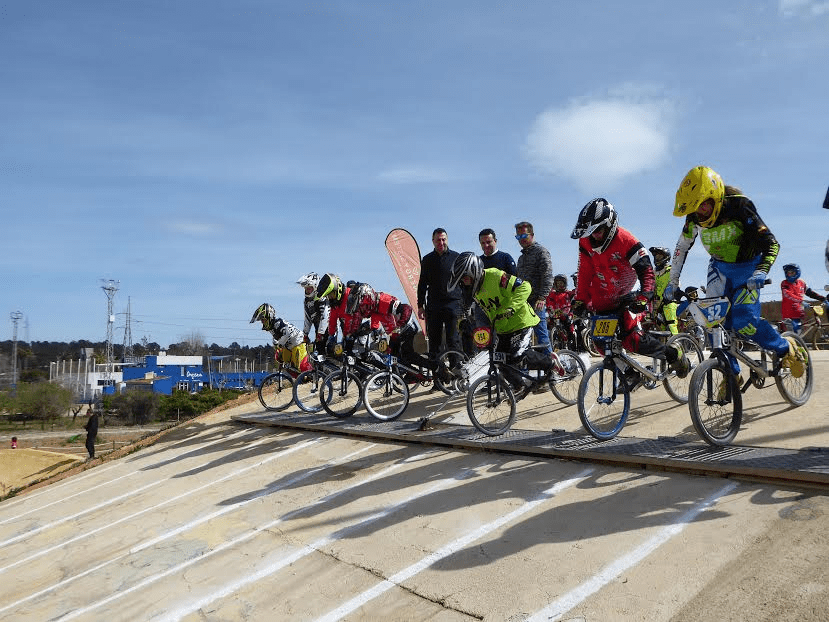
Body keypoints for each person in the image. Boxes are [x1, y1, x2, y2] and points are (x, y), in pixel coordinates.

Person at [665, 165, 805, 377]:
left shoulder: (739, 205)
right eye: (694, 209)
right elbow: (681, 248)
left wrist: (761, 271)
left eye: (702, 206)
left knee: (744, 323)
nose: (699, 213)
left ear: (715, 196)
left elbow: (771, 243)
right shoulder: (693, 217)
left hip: (749, 267)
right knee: (713, 323)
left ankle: (786, 348)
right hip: (719, 268)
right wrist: (672, 282)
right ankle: (731, 374)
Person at [570, 198, 689, 385]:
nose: (594, 237)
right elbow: (585, 272)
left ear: (610, 225)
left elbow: (647, 273)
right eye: (591, 233)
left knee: (632, 339)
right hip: (604, 298)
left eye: (598, 231)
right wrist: (580, 300)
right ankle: (629, 373)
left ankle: (673, 354)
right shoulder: (585, 242)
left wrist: (644, 296)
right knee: (600, 341)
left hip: (628, 295)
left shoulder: (628, 241)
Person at [448, 252, 556, 396]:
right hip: (503, 328)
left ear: (474, 271)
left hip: (520, 321)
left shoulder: (495, 275)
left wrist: (510, 307)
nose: (464, 281)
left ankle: (550, 364)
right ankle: (519, 386)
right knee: (499, 360)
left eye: (465, 277)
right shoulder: (474, 289)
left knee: (518, 355)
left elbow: (525, 287)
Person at [417, 228, 462, 356]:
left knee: (453, 340)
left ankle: (456, 369)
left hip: (453, 304)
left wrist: (464, 304)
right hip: (434, 305)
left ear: (447, 240)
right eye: (438, 240)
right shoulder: (427, 260)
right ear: (433, 241)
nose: (441, 243)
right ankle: (437, 372)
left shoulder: (456, 257)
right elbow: (422, 284)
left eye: (443, 240)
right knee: (434, 342)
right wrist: (420, 306)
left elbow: (463, 283)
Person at [515, 221, 554, 354]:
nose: (521, 240)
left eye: (524, 236)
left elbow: (547, 276)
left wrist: (542, 297)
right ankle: (524, 370)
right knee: (523, 339)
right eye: (518, 237)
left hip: (537, 301)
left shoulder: (541, 252)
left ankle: (552, 368)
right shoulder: (521, 258)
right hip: (523, 303)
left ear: (532, 235)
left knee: (542, 336)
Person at [250, 303, 311, 374]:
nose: (262, 322)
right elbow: (277, 341)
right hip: (289, 346)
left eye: (263, 320)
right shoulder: (271, 328)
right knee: (281, 358)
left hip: (298, 342)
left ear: (269, 317)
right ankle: (300, 380)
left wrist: (280, 344)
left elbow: (288, 333)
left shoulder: (278, 323)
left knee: (302, 366)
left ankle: (314, 376)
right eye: (262, 321)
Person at [780, 263, 827, 334]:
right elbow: (787, 295)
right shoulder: (785, 283)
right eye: (788, 273)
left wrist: (823, 299)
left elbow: (810, 293)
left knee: (799, 332)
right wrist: (801, 301)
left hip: (799, 312)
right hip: (789, 314)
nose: (790, 274)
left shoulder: (802, 283)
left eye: (792, 272)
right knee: (794, 333)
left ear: (797, 272)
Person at [316, 273, 353, 354]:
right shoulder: (335, 304)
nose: (330, 297)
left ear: (337, 289)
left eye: (331, 294)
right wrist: (331, 335)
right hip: (348, 329)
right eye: (328, 296)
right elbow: (332, 319)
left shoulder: (350, 296)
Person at [648, 246, 679, 334]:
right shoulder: (653, 273)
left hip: (668, 302)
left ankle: (677, 346)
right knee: (657, 327)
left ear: (666, 257)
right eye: (655, 256)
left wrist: (669, 294)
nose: (657, 259)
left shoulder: (671, 271)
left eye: (659, 256)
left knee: (671, 324)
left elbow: (676, 284)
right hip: (656, 304)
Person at [296, 272, 330, 351]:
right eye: (306, 288)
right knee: (316, 350)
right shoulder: (306, 301)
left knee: (329, 348)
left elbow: (325, 315)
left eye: (309, 288)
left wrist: (321, 332)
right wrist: (305, 334)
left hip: (328, 328)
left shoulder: (322, 298)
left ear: (315, 286)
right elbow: (307, 318)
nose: (307, 290)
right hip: (317, 329)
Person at [545, 274, 575, 348]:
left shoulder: (569, 293)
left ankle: (572, 343)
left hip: (566, 315)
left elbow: (575, 301)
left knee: (571, 329)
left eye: (561, 283)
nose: (559, 285)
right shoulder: (553, 294)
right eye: (558, 283)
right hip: (555, 315)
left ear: (565, 284)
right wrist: (551, 310)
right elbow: (549, 304)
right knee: (548, 328)